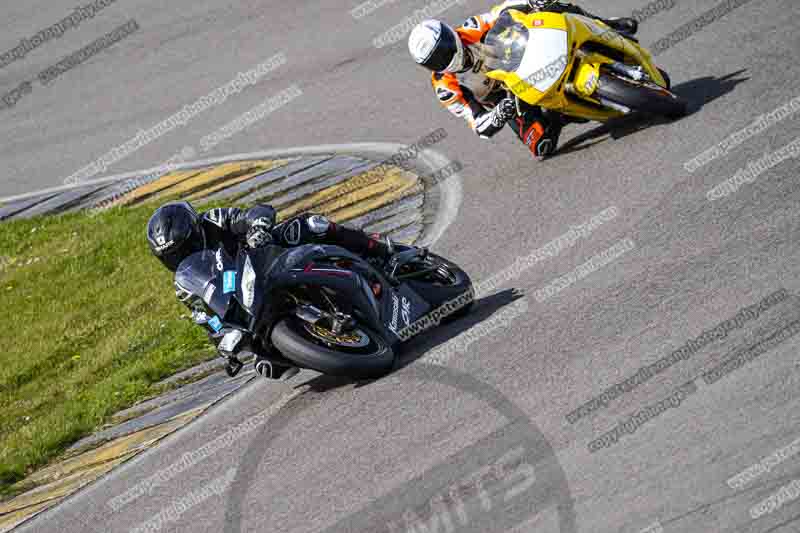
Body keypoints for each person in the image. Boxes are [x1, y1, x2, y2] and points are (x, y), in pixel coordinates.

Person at [146, 201, 395, 380]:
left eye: (184, 247)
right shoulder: (185, 283)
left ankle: (379, 248)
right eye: (172, 256)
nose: (182, 256)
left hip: (264, 255)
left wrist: (258, 227)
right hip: (243, 297)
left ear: (195, 231)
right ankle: (315, 338)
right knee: (268, 364)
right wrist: (224, 344)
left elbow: (255, 212)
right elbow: (205, 318)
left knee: (309, 225)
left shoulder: (214, 220)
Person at [407, 0, 638, 160]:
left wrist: (531, 3)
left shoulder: (470, 30)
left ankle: (606, 24)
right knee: (541, 145)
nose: (446, 56)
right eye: (436, 59)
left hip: (522, 56)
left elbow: (501, 10)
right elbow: (478, 124)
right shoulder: (445, 88)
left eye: (445, 46)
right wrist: (499, 113)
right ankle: (559, 112)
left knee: (553, 7)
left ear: (450, 34)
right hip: (509, 98)